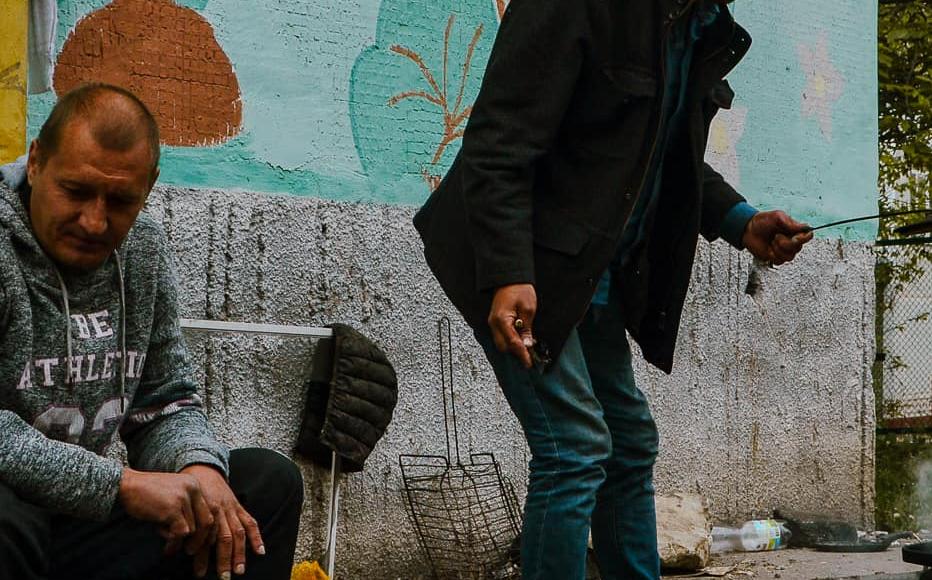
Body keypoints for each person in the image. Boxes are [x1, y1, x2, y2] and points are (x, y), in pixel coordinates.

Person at [413, 1, 813, 579]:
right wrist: (507, 273)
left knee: (628, 443)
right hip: (512, 259)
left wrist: (741, 221)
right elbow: (498, 144)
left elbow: (663, 157)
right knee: (574, 450)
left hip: (589, 272)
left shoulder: (700, 27)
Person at [0, 83, 303, 580]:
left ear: (150, 185)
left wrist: (197, 467)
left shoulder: (143, 252)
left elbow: (165, 400)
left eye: (120, 200)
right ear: (36, 162)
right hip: (17, 518)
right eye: (76, 192)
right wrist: (122, 485)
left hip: (84, 521)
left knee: (265, 486)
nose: (95, 222)